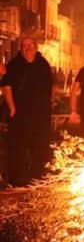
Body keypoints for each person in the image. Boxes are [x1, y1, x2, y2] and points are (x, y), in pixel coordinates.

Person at [0, 34, 55, 186]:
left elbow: (51, 86)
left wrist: (50, 104)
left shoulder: (43, 64)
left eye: (30, 45)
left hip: (41, 113)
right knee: (18, 146)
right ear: (21, 48)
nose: (28, 48)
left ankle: (38, 175)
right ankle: (18, 178)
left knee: (40, 145)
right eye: (24, 45)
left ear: (36, 47)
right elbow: (6, 87)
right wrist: (11, 108)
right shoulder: (14, 65)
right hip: (20, 113)